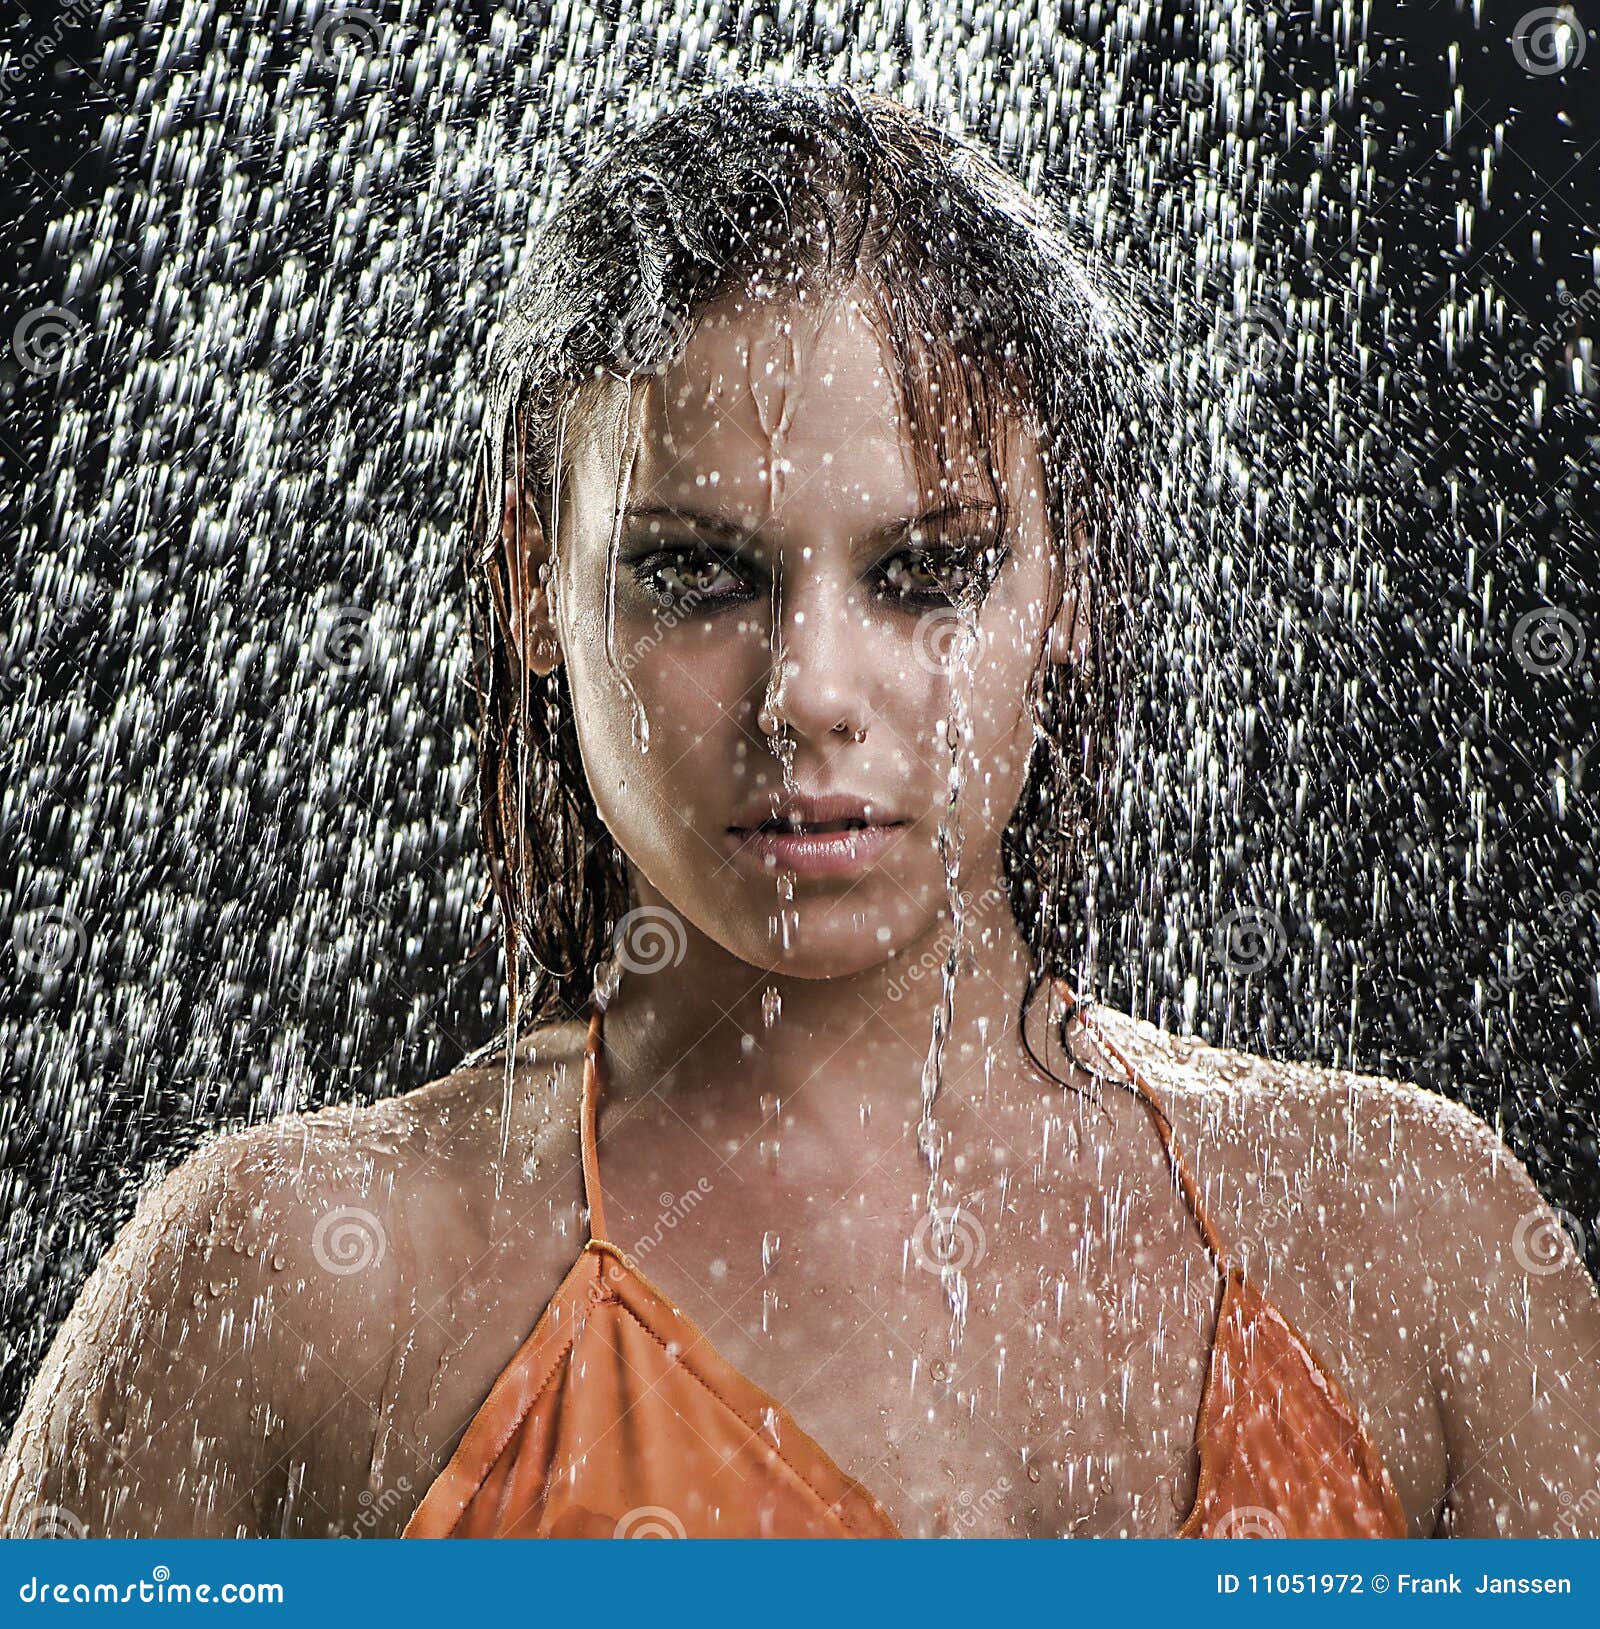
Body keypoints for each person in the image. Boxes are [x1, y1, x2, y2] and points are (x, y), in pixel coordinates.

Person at [4, 82, 1599, 1541]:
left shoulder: (1418, 1243)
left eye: (927, 572)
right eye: (698, 573)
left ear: (1077, 583)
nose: (809, 695)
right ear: (530, 581)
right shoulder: (301, 1280)